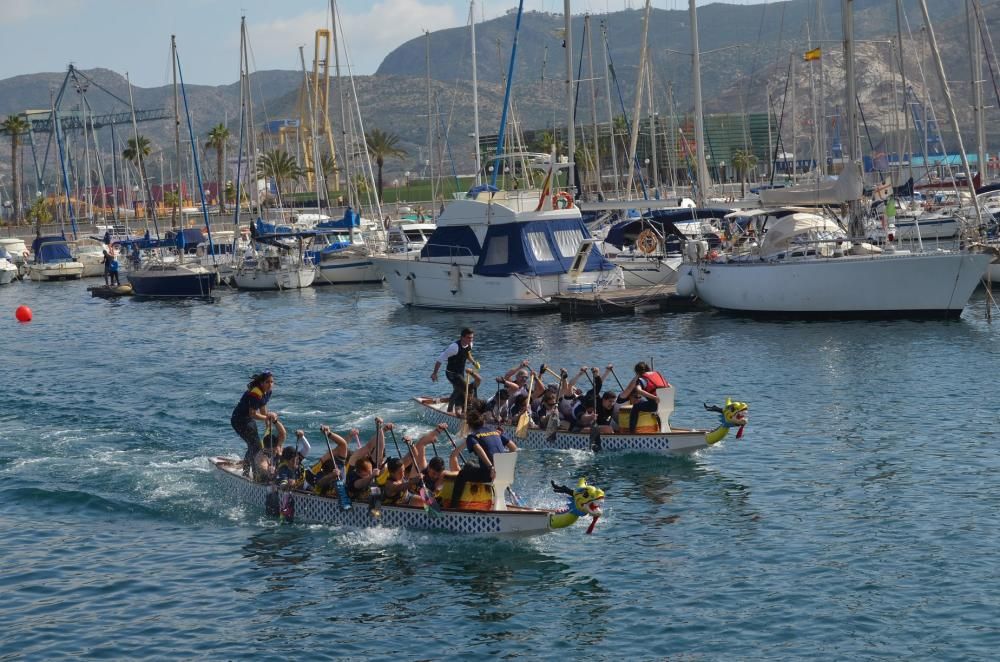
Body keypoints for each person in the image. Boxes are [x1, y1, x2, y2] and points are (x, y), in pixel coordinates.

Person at [448, 409, 517, 509]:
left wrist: (491, 467)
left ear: (469, 425)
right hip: (507, 473)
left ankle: (453, 507)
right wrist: (506, 464)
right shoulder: (496, 432)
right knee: (469, 465)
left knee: (462, 475)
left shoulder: (472, 437)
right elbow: (514, 448)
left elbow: (480, 450)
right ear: (483, 421)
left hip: (490, 474)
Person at [231, 371, 277, 477]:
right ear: (261, 383)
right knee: (255, 446)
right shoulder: (255, 392)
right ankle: (249, 473)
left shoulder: (268, 392)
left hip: (248, 420)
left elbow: (263, 408)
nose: (270, 384)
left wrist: (267, 423)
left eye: (272, 382)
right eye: (267, 382)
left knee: (254, 445)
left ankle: (249, 470)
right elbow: (252, 414)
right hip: (239, 420)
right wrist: (267, 417)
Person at [431, 327, 475, 415]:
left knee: (458, 390)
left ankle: (458, 408)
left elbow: (467, 354)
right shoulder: (454, 347)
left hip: (460, 373)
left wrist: (473, 362)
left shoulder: (470, 344)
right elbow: (440, 359)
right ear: (462, 337)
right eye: (468, 338)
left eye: (472, 338)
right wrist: (435, 373)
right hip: (451, 373)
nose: (470, 340)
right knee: (467, 389)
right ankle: (452, 411)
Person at [620, 361, 665, 433]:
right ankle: (662, 430)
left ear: (637, 373)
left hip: (655, 404)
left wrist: (654, 398)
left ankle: (632, 433)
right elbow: (670, 387)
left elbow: (638, 390)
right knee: (641, 402)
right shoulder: (657, 375)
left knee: (636, 407)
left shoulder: (643, 379)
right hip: (666, 403)